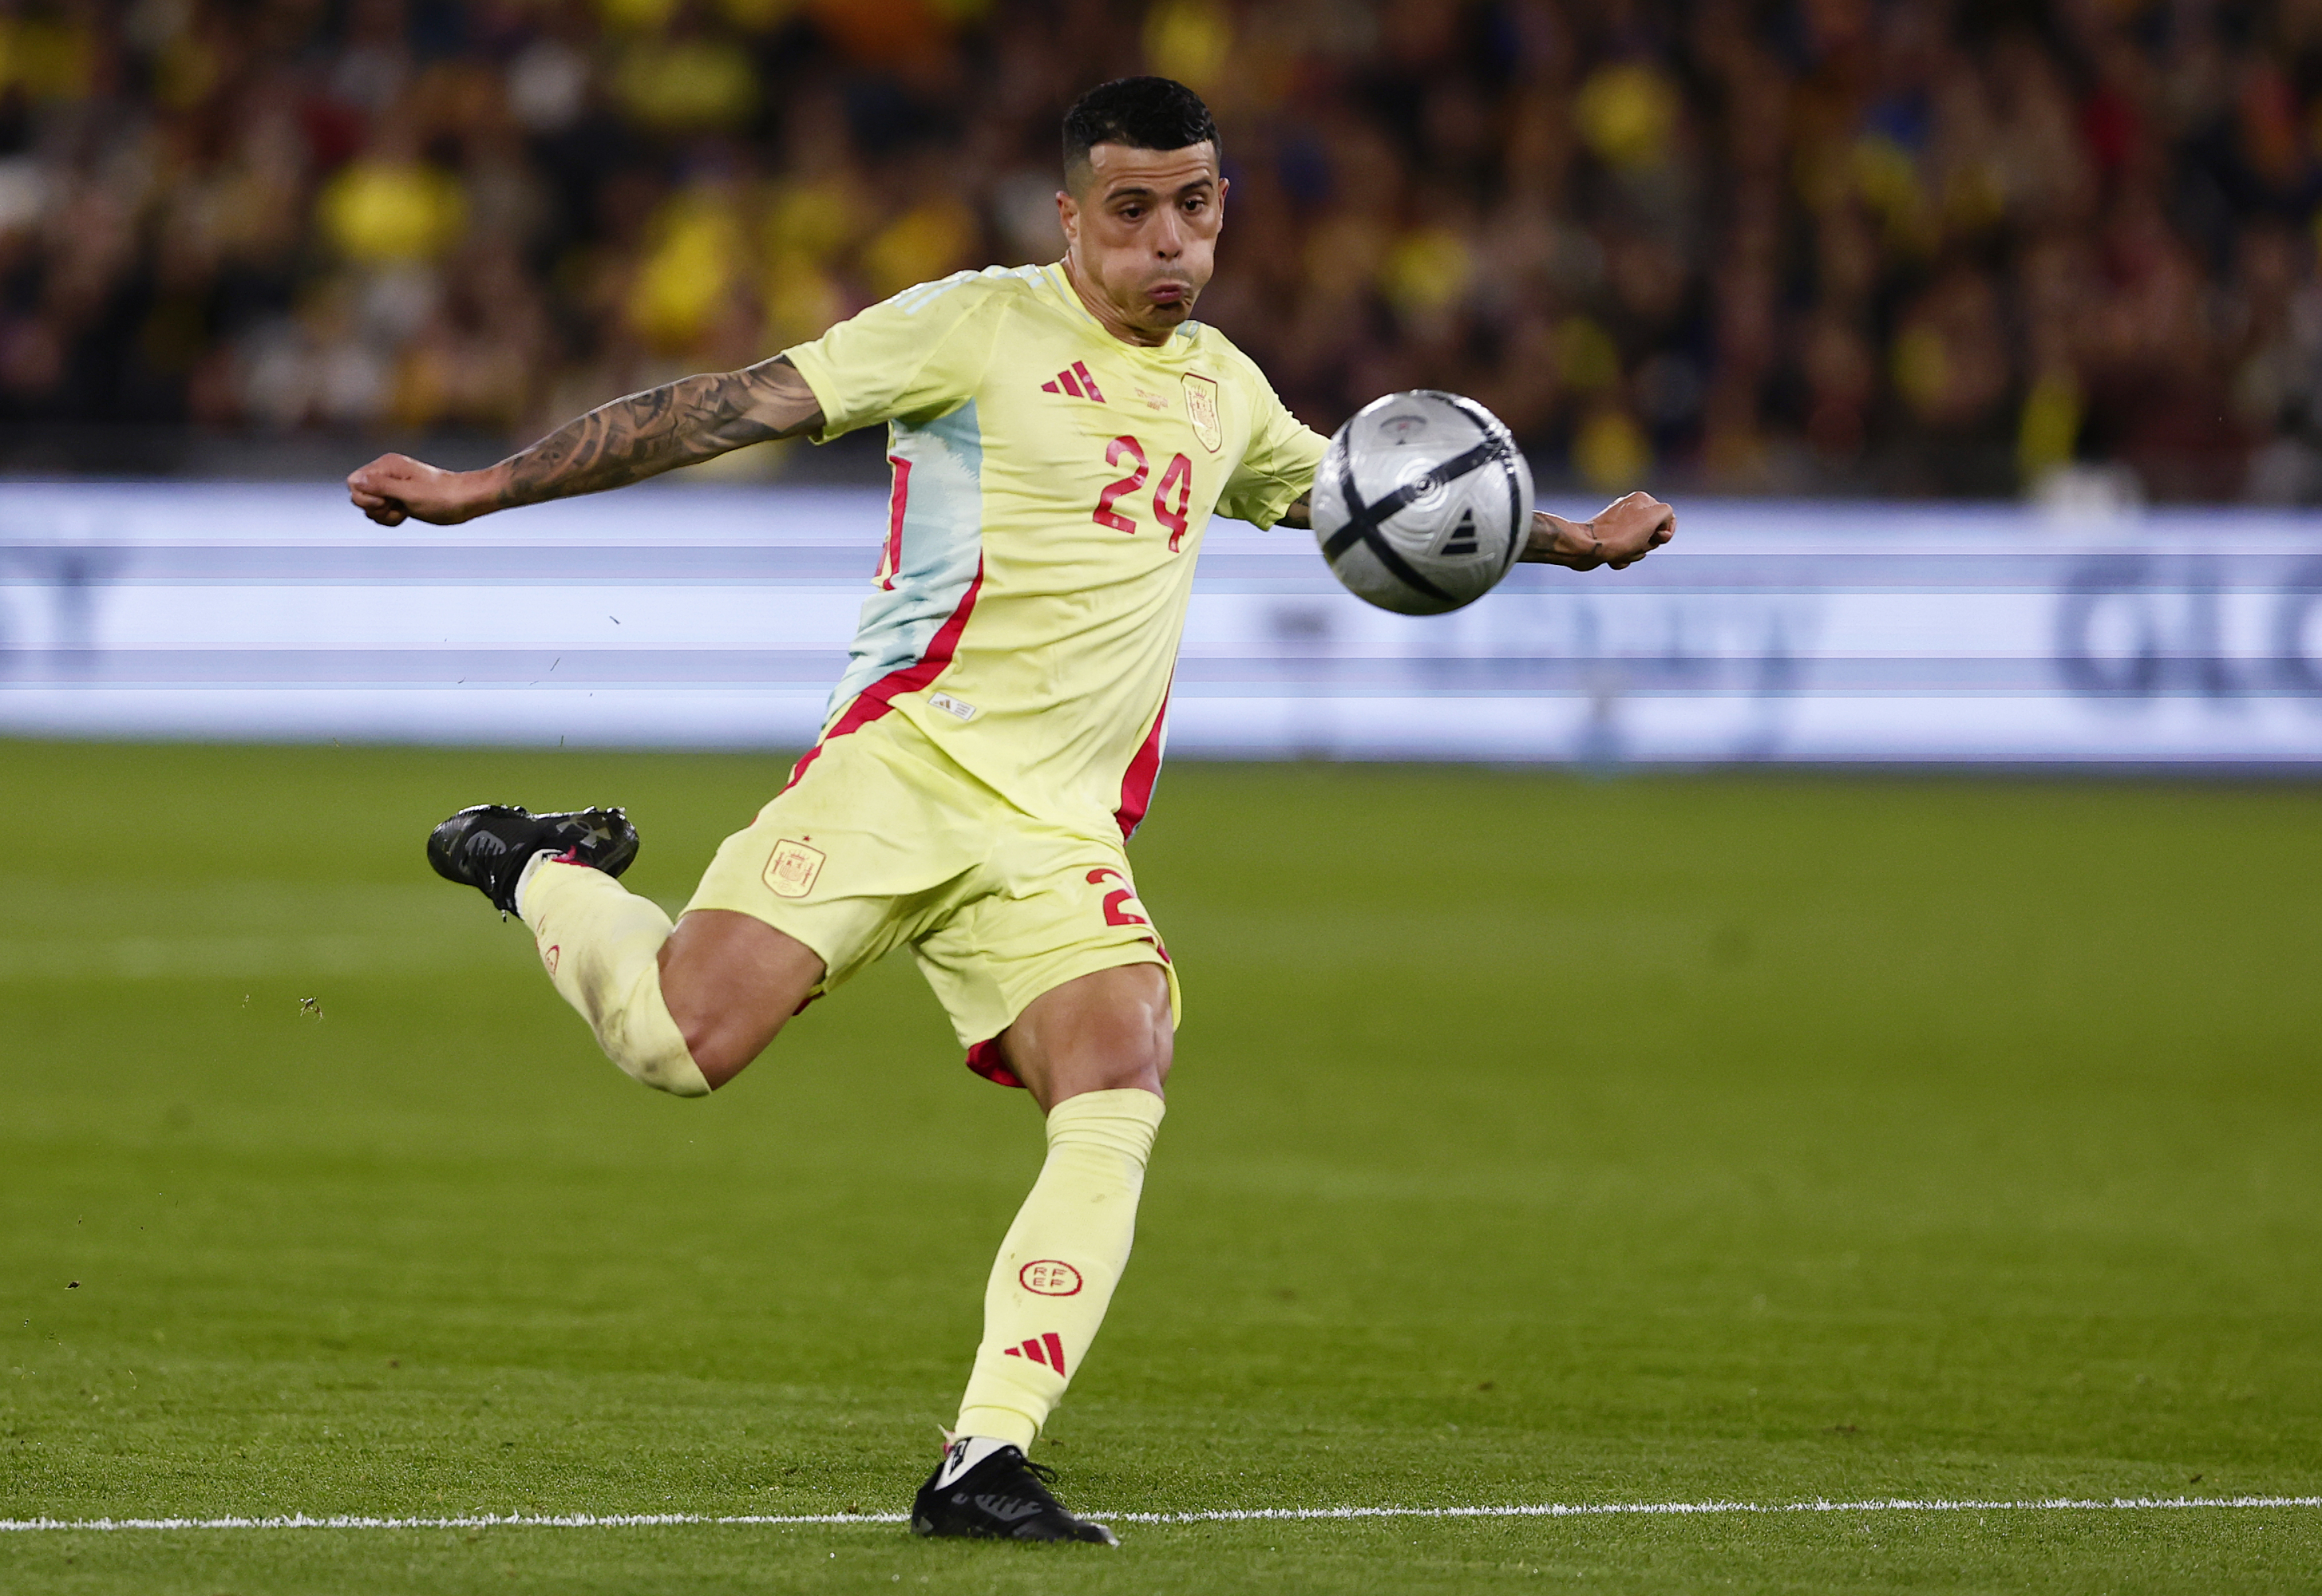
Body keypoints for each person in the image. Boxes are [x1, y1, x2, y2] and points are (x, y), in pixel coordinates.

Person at [346, 75, 1675, 1544]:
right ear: (1070, 218)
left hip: (1057, 832)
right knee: (675, 1045)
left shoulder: (1222, 391)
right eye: (1131, 212)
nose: (1167, 242)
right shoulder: (969, 325)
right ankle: (539, 866)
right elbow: (723, 408)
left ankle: (984, 1456)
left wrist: (1569, 541)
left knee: (1119, 1074)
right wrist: (483, 486)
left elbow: (1367, 501)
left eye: (1195, 207)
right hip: (906, 761)